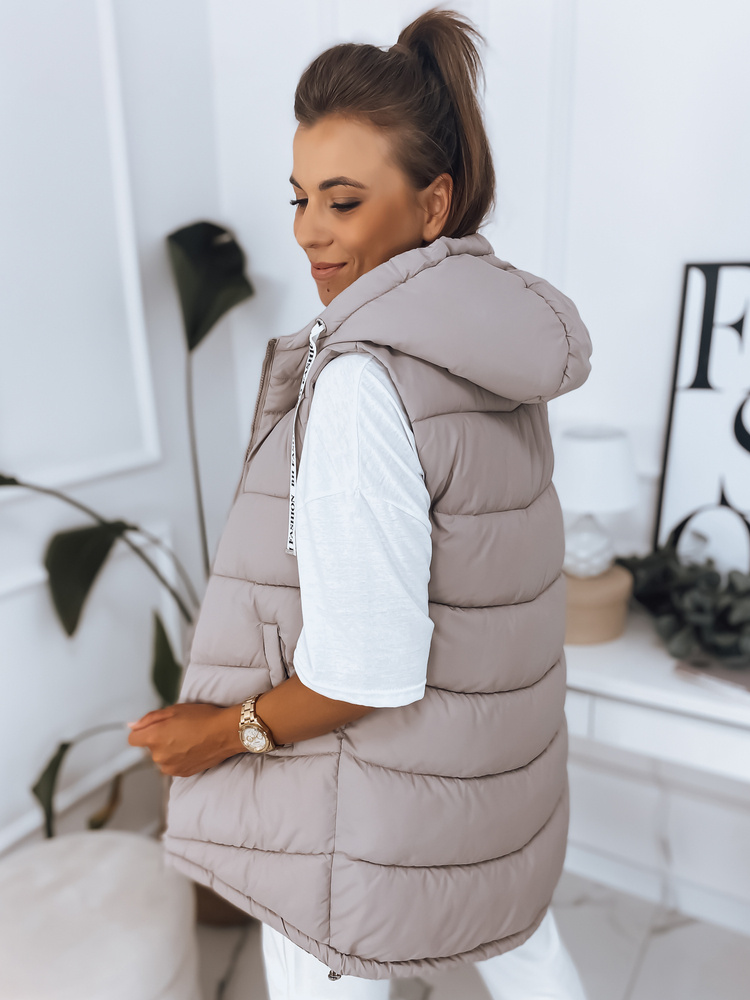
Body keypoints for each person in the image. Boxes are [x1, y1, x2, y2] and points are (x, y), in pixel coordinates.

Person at [128, 7, 593, 999]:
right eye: (300, 197)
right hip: (490, 781)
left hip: (363, 812)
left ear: (434, 203)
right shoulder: (494, 350)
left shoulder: (362, 381)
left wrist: (217, 734)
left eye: (342, 200)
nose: (308, 231)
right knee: (527, 951)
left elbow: (366, 668)